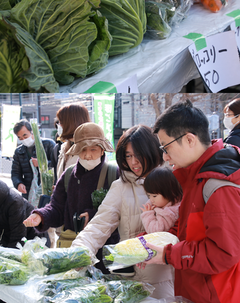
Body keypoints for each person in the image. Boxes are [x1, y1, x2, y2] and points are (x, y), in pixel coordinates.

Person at [143, 99, 240, 302]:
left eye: (166, 148)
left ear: (189, 139)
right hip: (199, 290)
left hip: (217, 294)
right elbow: (189, 229)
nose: (165, 157)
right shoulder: (197, 176)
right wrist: (153, 243)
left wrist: (169, 255)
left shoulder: (218, 185)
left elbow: (223, 252)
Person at [70, 125, 174, 298]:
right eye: (128, 156)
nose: (133, 162)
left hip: (165, 277)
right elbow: (99, 225)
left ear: (151, 151)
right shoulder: (121, 187)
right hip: (131, 279)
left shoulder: (172, 180)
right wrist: (79, 251)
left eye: (138, 155)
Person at [23, 122, 119, 272]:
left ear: (102, 150)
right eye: (83, 150)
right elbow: (56, 207)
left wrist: (92, 216)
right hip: (72, 250)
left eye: (93, 149)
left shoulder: (114, 174)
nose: (88, 155)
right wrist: (41, 216)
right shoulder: (68, 175)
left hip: (105, 254)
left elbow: (122, 212)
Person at [11, 119, 56, 201]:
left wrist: (42, 164)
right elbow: (15, 172)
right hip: (28, 192)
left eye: (25, 136)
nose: (24, 140)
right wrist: (18, 184)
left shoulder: (48, 144)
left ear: (32, 132)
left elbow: (57, 165)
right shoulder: (19, 151)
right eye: (20, 138)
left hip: (47, 190)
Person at [140, 167, 182, 234]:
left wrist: (147, 215)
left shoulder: (169, 212)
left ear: (170, 192)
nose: (151, 200)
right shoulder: (165, 203)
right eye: (149, 195)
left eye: (154, 196)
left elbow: (155, 231)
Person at [55, 103, 91, 181]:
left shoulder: (91, 150)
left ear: (70, 123)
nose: (58, 125)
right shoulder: (64, 146)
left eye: (60, 122)